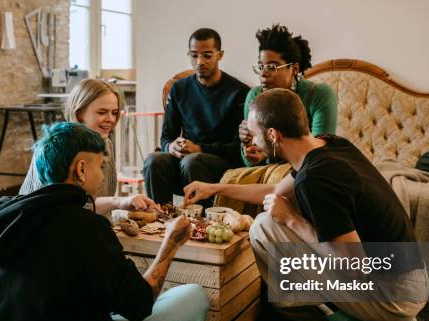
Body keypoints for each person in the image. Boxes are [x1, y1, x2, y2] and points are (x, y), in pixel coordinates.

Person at [183, 89, 429, 321]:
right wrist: (213, 187)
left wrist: (291, 220)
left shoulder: (316, 180)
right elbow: (276, 189)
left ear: (273, 135)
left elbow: (355, 268)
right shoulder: (329, 144)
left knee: (263, 229)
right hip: (412, 281)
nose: (251, 141)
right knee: (279, 213)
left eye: (253, 133)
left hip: (397, 296)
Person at [0, 122, 209, 321]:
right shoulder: (85, 229)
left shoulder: (3, 215)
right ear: (81, 169)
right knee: (194, 296)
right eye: (100, 167)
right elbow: (140, 306)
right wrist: (171, 245)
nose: (101, 174)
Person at [142, 28, 250, 206]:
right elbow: (166, 137)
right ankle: (159, 218)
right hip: (187, 159)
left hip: (220, 162)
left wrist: (200, 148)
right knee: (154, 160)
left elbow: (237, 148)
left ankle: (201, 223)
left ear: (220, 55)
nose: (199, 62)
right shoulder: (179, 89)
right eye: (194, 55)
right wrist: (171, 147)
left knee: (192, 161)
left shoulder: (238, 92)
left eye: (207, 55)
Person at [20, 78, 158, 214]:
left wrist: (124, 202)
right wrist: (119, 202)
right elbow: (60, 208)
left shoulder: (105, 143)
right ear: (79, 114)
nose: (111, 119)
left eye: (114, 113)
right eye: (102, 112)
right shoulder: (58, 148)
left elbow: (93, 202)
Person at [240, 24, 337, 167]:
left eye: (272, 67)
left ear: (294, 69)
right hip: (269, 173)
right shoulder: (255, 97)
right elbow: (250, 166)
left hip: (309, 171)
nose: (263, 74)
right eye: (261, 67)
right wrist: (249, 147)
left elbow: (319, 156)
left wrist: (269, 153)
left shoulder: (319, 95)